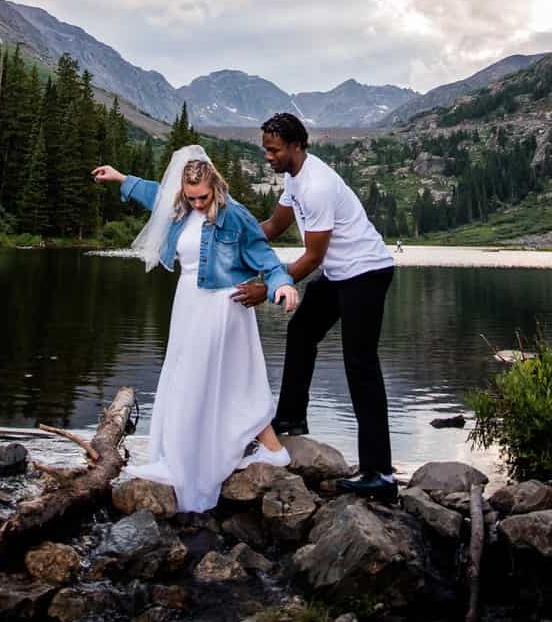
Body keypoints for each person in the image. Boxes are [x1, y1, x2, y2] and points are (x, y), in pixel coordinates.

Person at [92, 144, 298, 513]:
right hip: (188, 304)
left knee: (218, 380)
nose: (197, 204)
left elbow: (264, 256)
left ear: (215, 187)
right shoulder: (179, 207)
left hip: (222, 308)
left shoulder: (235, 215)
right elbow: (155, 193)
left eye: (202, 197)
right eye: (191, 197)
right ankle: (232, 451)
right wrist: (121, 178)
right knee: (189, 378)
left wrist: (282, 284)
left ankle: (224, 457)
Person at [232, 113, 398, 504]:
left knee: (361, 365)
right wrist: (232, 241)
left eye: (273, 150)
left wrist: (268, 288)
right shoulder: (294, 178)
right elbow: (272, 226)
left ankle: (381, 473)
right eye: (265, 148)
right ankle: (291, 416)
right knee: (302, 330)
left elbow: (311, 258)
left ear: (296, 146)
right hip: (342, 274)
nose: (267, 156)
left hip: (366, 274)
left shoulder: (318, 185)